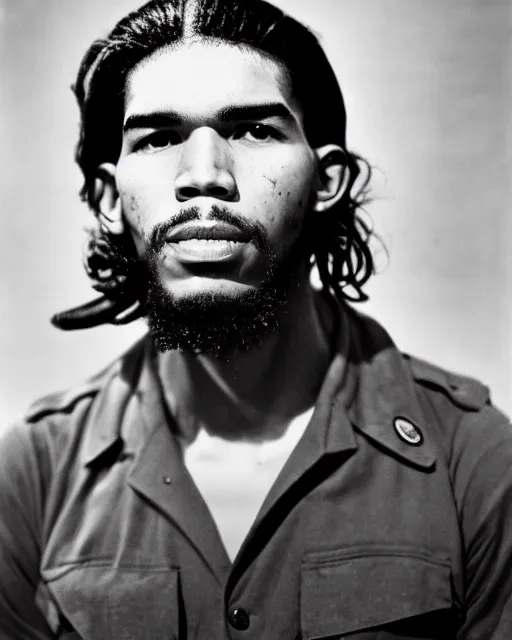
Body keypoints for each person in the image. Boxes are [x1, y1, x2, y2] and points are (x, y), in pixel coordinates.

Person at [1, 0, 511, 638]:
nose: (204, 177)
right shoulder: (33, 473)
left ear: (326, 181)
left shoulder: (475, 458)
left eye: (254, 131)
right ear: (109, 199)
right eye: (159, 138)